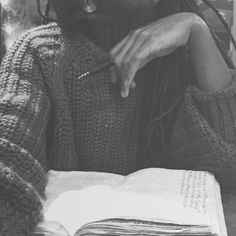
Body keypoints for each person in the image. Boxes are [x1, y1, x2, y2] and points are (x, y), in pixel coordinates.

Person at [0, 0, 236, 235]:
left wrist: (197, 32)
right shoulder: (38, 53)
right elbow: (8, 166)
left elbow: (229, 166)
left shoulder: (185, 49)